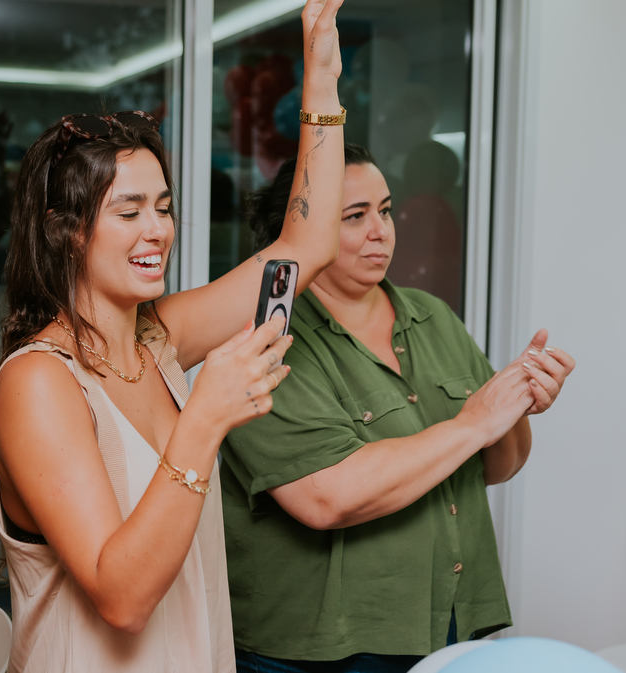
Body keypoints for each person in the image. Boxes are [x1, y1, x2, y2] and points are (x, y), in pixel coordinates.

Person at [0, 0, 349, 672]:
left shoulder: (158, 339)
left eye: (165, 207)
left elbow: (307, 243)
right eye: (130, 210)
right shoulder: (38, 382)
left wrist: (320, 72)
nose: (159, 231)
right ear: (65, 228)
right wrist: (205, 416)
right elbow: (122, 595)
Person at [223, 147, 577, 673]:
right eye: (354, 216)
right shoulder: (266, 343)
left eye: (385, 211)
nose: (381, 231)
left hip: (448, 618)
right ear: (301, 234)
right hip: (324, 647)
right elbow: (327, 497)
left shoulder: (432, 315)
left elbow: (497, 466)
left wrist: (518, 404)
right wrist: (475, 421)